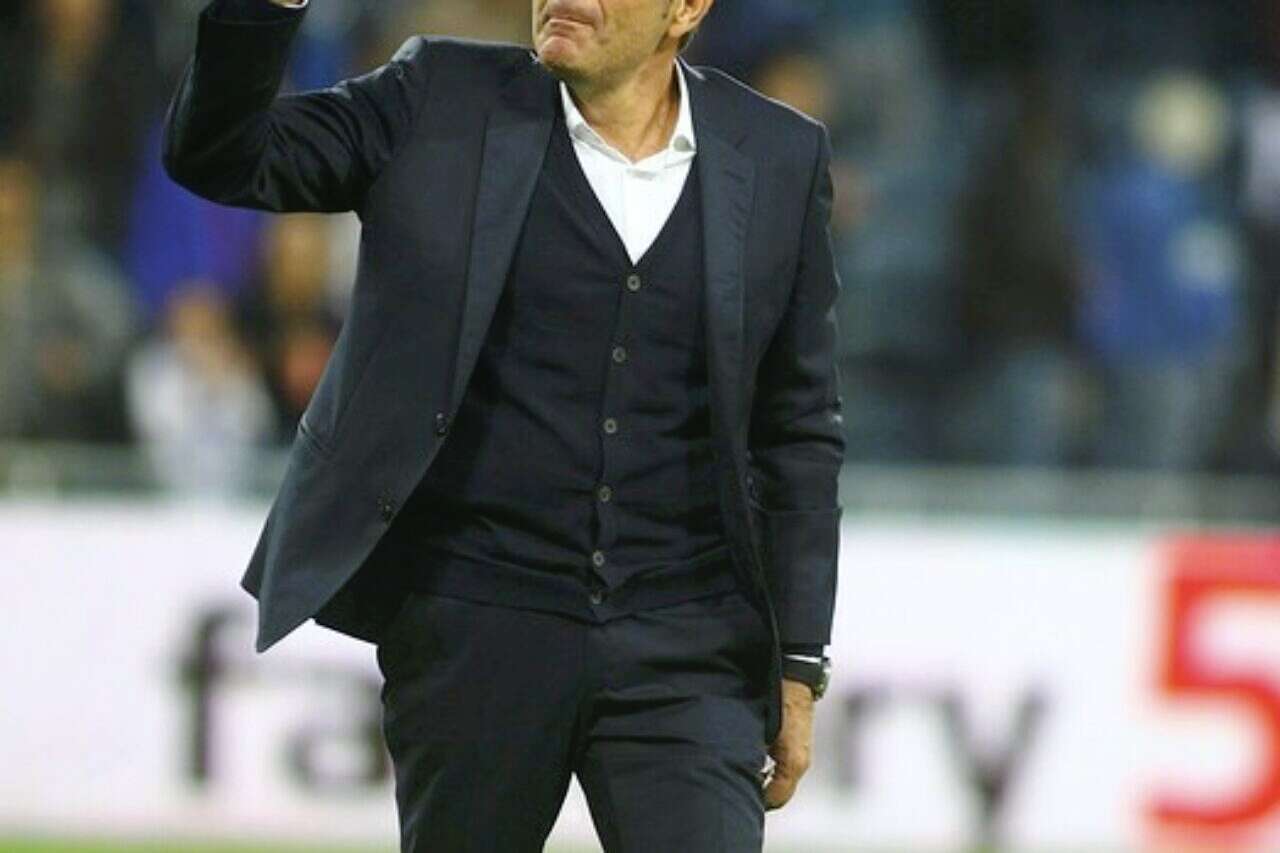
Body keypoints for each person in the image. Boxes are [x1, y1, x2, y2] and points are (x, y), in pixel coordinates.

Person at [162, 0, 845, 849]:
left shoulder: (779, 154)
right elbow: (223, 155)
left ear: (686, 7)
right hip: (475, 627)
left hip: (688, 639)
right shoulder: (437, 97)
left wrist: (799, 661)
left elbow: (798, 428)